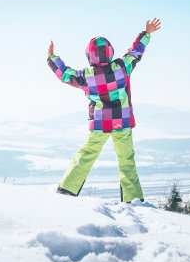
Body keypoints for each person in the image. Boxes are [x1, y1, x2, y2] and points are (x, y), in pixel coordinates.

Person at [47, 18, 161, 202]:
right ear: (110, 53)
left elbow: (65, 74)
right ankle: (132, 199)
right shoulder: (122, 68)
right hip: (122, 122)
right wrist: (146, 34)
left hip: (100, 123)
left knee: (86, 155)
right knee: (127, 161)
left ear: (89, 56)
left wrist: (52, 58)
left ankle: (67, 189)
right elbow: (135, 52)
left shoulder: (87, 76)